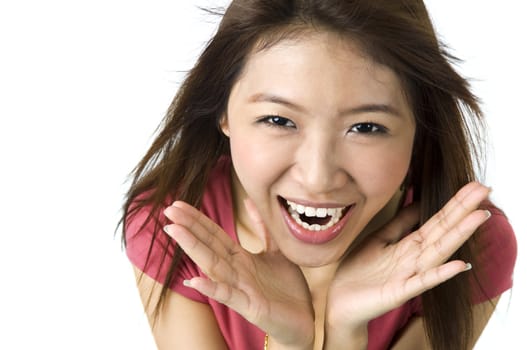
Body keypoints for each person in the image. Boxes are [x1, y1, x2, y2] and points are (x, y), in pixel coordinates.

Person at [121, 1, 517, 349]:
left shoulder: (467, 250)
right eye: (278, 120)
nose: (317, 177)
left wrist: (345, 332)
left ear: (421, 126)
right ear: (222, 112)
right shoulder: (172, 231)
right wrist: (289, 341)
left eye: (366, 127)